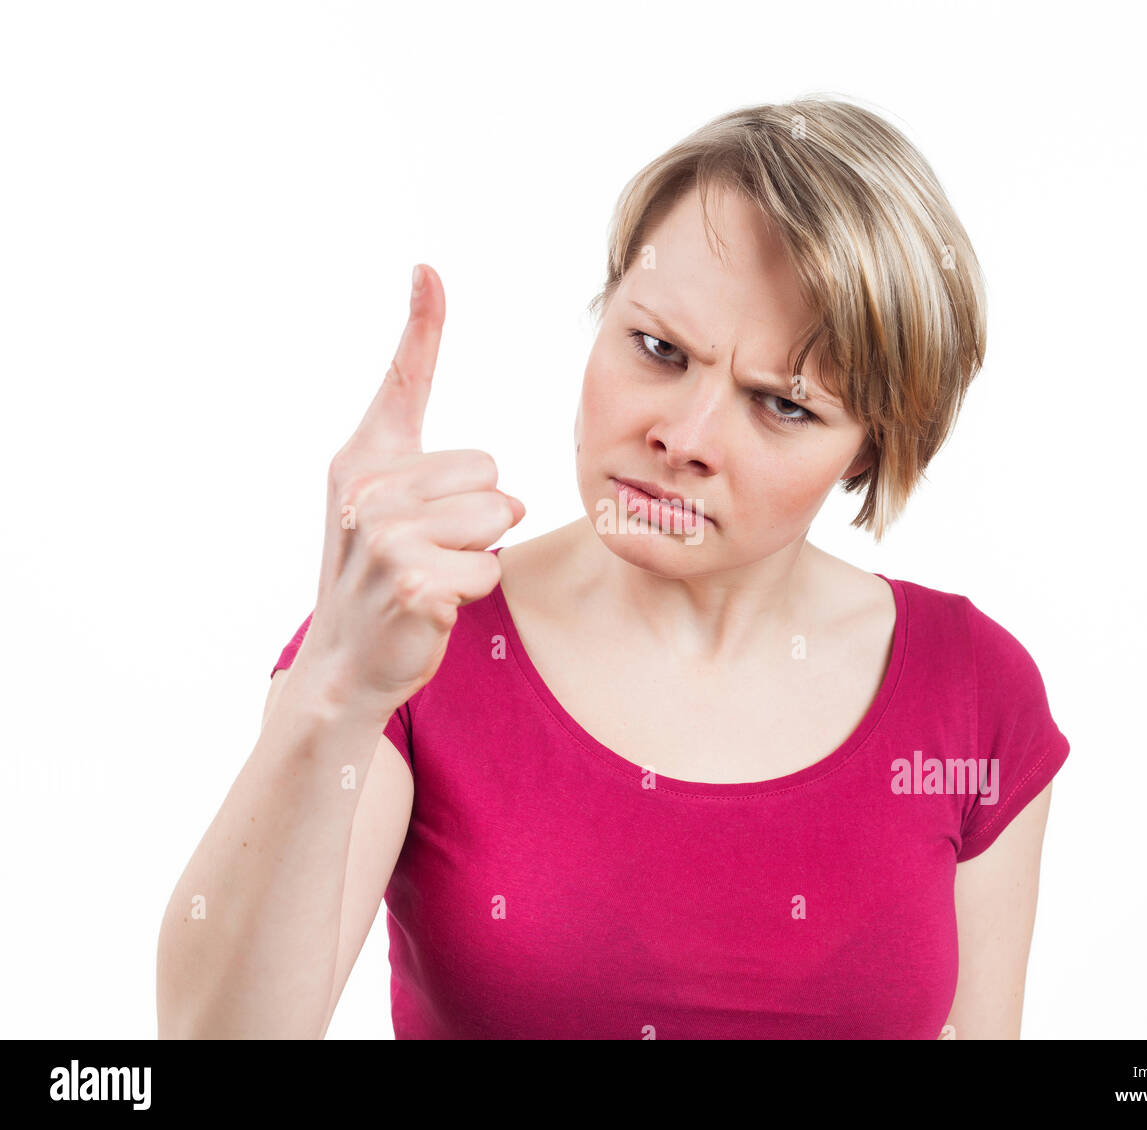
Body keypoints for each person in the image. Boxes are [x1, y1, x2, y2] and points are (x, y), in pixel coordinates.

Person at [157, 96, 1070, 1040]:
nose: (683, 436)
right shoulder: (410, 646)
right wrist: (334, 692)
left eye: (782, 406)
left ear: (874, 450)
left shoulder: (974, 691)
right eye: (658, 348)